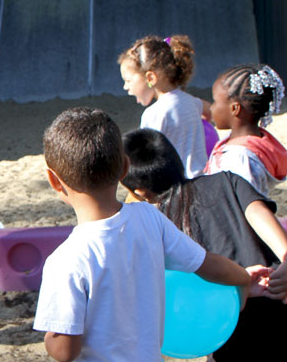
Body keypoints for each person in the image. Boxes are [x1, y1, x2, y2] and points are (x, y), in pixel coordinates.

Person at [33, 107, 258, 362]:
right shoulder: (149, 219)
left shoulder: (64, 261)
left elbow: (65, 352)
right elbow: (207, 264)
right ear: (125, 167)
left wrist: (51, 338)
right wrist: (243, 277)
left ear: (54, 180)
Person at [122, 127, 287, 361]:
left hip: (228, 333)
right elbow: (264, 221)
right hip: (275, 299)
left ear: (141, 192)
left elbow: (186, 302)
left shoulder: (156, 226)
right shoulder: (228, 180)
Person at [118, 35, 210, 178]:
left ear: (150, 78)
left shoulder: (154, 113)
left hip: (175, 187)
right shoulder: (192, 101)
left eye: (128, 80)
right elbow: (211, 111)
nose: (125, 87)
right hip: (202, 181)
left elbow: (145, 158)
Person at [205, 63, 287, 197]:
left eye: (214, 102)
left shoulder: (240, 157)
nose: (211, 108)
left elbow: (242, 204)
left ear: (234, 109)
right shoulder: (253, 143)